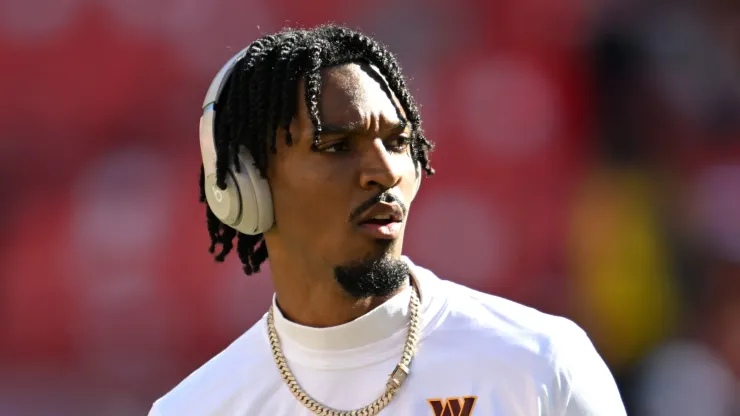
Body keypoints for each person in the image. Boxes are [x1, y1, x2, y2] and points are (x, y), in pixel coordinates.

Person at [148, 25, 626, 415]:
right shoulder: (196, 408)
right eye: (336, 147)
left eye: (398, 144)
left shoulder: (540, 363)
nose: (383, 173)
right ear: (245, 185)